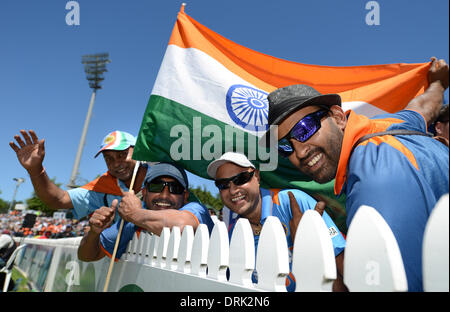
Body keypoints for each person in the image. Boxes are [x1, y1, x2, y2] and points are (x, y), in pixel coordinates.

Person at [262, 57, 449, 291]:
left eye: (305, 128)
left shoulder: (373, 181)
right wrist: (439, 83)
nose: (299, 151)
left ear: (338, 117)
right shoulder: (386, 123)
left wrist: (314, 255)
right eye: (285, 147)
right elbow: (423, 106)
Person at [207, 152, 347, 292]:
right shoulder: (233, 237)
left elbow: (344, 268)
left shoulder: (292, 202)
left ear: (257, 176)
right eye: (223, 185)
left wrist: (309, 248)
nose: (233, 190)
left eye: (241, 179)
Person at [78, 162, 215, 262]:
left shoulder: (197, 210)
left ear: (185, 196)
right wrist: (94, 233)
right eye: (156, 186)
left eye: (175, 188)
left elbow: (182, 225)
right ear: (144, 192)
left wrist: (134, 214)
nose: (164, 195)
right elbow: (87, 255)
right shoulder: (132, 223)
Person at [9, 130, 148, 221]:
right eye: (108, 159)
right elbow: (59, 199)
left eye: (122, 154)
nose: (116, 163)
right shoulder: (103, 187)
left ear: (137, 151)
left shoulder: (159, 174)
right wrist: (35, 170)